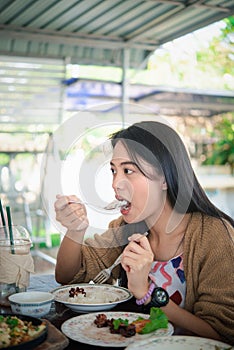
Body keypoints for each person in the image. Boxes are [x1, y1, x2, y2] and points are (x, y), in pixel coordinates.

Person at [54, 121, 234, 345]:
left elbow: (221, 335)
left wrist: (146, 292)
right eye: (113, 171)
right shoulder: (125, 229)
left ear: (166, 178)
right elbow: (68, 276)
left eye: (128, 171)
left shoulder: (214, 234)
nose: (115, 183)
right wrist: (75, 230)